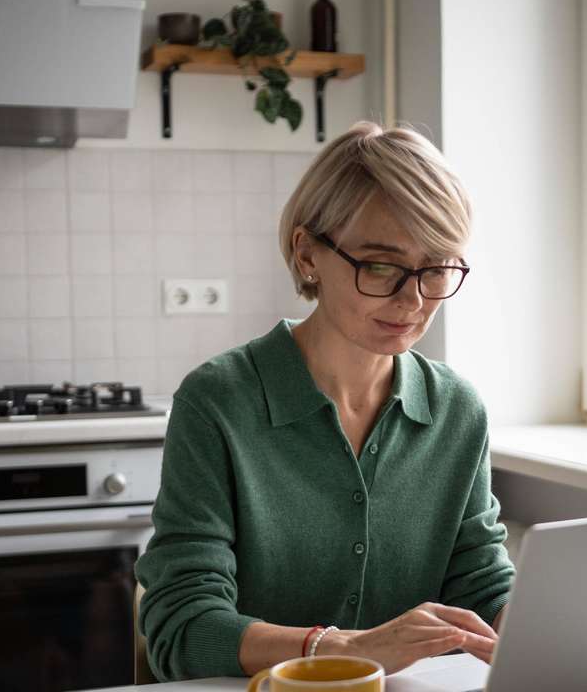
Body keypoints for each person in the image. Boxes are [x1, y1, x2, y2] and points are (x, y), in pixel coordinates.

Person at [135, 121, 514, 682]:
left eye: (436, 269)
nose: (413, 299)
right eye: (380, 266)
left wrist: (555, 627)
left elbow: (480, 585)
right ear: (308, 253)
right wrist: (344, 648)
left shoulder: (457, 410)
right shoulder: (217, 402)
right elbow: (182, 626)